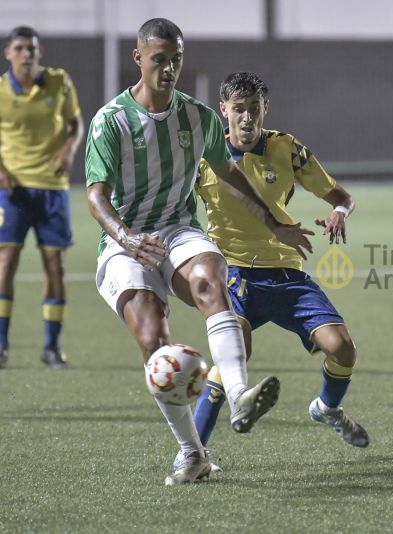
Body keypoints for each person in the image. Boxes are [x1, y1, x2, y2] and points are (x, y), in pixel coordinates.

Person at [84, 18, 314, 486]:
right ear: (139, 59)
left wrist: (274, 223)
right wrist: (127, 238)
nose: (169, 69)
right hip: (126, 242)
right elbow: (95, 197)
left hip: (178, 230)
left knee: (212, 282)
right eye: (159, 60)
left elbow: (232, 177)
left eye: (176, 60)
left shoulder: (198, 117)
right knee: (154, 341)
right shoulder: (111, 121)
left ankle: (238, 396)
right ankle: (192, 454)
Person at [182, 71, 368, 469]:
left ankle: (327, 408)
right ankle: (194, 453)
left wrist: (337, 211)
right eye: (238, 110)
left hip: (285, 271)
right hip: (232, 274)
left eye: (254, 109)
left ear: (265, 109)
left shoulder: (287, 148)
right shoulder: (202, 158)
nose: (246, 118)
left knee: (343, 348)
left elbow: (342, 196)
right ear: (223, 111)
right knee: (234, 353)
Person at [0, 26, 84, 369]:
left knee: (55, 266)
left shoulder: (59, 82)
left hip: (52, 188)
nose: (26, 54)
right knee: (5, 264)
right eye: (19, 48)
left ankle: (51, 347)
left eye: (31, 48)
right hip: (12, 191)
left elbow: (76, 124)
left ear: (40, 52)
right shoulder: (1, 91)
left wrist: (67, 150)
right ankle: (1, 345)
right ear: (8, 53)